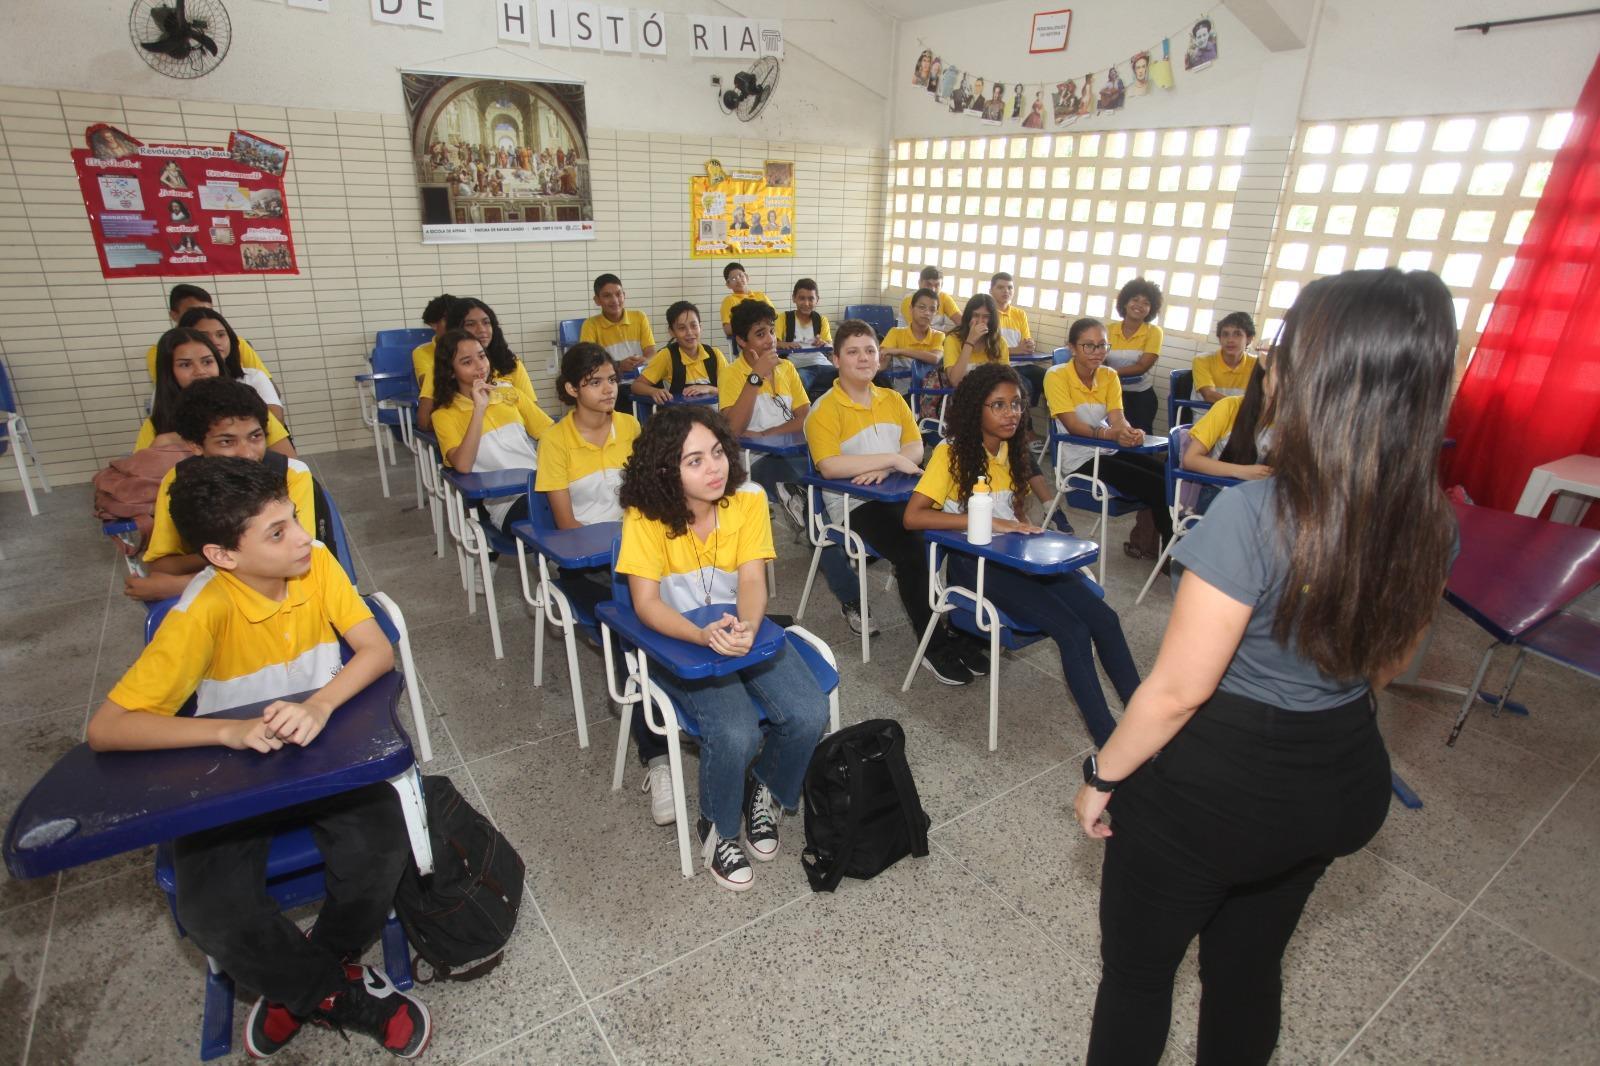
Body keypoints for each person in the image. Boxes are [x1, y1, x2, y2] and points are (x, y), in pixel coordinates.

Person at [1073, 268, 1458, 1066]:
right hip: (1339, 778)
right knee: (1247, 973)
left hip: (1212, 795)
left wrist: (1102, 774)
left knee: (1139, 978)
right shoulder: (1430, 517)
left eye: (1283, 349)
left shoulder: (1256, 512)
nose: (1268, 365)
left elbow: (1178, 691)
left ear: (1319, 375)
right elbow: (1388, 662)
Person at [87, 457, 430, 1059]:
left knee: (380, 848)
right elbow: (107, 729)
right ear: (223, 555)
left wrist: (320, 705)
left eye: (294, 519)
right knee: (210, 909)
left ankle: (307, 976)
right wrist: (228, 731)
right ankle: (330, 991)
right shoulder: (202, 612)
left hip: (323, 752)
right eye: (277, 532)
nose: (302, 537)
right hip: (237, 771)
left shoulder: (316, 564)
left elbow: (376, 651)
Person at [615, 405, 831, 890]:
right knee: (735, 732)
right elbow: (646, 605)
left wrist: (749, 627)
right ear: (665, 470)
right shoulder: (644, 516)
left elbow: (752, 580)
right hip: (679, 642)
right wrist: (701, 635)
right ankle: (718, 827)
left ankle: (763, 788)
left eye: (716, 452)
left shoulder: (747, 500)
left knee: (808, 711)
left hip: (739, 628)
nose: (714, 468)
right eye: (694, 461)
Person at [904, 365, 1140, 745]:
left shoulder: (1012, 450)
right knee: (1073, 631)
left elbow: (1016, 516)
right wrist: (993, 524)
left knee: (1106, 619)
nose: (1010, 413)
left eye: (1015, 404)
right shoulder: (951, 454)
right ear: (975, 409)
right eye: (997, 405)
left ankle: (1144, 721)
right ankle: (1110, 744)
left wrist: (1031, 533)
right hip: (975, 566)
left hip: (1016, 560)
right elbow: (913, 517)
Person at [537, 344, 677, 823]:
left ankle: (688, 703)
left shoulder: (632, 427)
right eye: (594, 382)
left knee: (686, 602)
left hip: (637, 556)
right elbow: (566, 525)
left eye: (611, 380)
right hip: (586, 567)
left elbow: (649, 498)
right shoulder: (555, 441)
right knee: (627, 629)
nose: (607, 389)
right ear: (571, 389)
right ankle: (657, 760)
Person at [805, 321, 975, 681]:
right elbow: (830, 466)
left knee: (960, 533)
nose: (864, 358)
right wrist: (890, 459)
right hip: (854, 505)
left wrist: (888, 464)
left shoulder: (892, 399)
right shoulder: (824, 409)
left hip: (900, 493)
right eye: (853, 352)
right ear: (836, 359)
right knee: (913, 549)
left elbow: (914, 448)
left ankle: (964, 632)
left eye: (870, 350)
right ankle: (933, 647)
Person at [129, 378, 322, 603]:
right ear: (195, 445)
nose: (247, 453)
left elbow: (296, 556)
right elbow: (162, 565)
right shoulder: (178, 480)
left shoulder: (292, 475)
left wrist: (185, 583)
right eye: (226, 442)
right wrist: (230, 554)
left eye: (255, 436)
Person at [1045, 318, 1173, 557]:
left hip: (1107, 448)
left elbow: (1118, 418)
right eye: (1089, 345)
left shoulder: (1109, 375)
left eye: (1102, 345)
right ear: (1072, 348)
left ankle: (1157, 546)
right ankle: (1170, 554)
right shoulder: (1056, 375)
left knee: (1167, 476)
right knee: (1157, 487)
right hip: (1078, 457)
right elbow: (1073, 426)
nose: (1097, 352)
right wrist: (1111, 434)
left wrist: (1129, 432)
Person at [431, 328, 553, 550]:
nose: (480, 366)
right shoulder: (444, 415)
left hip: (545, 486)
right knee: (562, 520)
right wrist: (479, 409)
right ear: (450, 371)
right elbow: (463, 465)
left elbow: (552, 434)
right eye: (467, 362)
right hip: (507, 503)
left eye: (482, 356)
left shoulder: (509, 393)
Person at [718, 299, 811, 529]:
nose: (770, 339)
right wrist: (756, 376)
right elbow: (733, 429)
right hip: (755, 459)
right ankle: (801, 505)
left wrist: (766, 434)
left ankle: (811, 514)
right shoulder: (731, 374)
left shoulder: (786, 368)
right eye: (760, 334)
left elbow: (805, 419)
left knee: (819, 470)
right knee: (797, 477)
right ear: (741, 341)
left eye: (771, 331)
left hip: (791, 451)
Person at [137, 329, 295, 457]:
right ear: (169, 373)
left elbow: (291, 465)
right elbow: (139, 479)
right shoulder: (155, 425)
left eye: (207, 362)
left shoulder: (249, 409)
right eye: (185, 365)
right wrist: (162, 445)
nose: (200, 371)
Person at [416, 297, 540, 431]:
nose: (481, 329)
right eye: (470, 324)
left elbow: (533, 413)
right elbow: (424, 421)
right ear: (457, 330)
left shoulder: (510, 363)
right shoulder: (442, 368)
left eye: (486, 322)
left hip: (515, 435)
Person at [1183, 353, 1276, 514]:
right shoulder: (1229, 406)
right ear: (1263, 379)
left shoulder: (1292, 420)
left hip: (1263, 499)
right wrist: (1242, 471)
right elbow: (1190, 460)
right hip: (1220, 493)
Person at [178, 306, 285, 424]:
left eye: (221, 335)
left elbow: (276, 419)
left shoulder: (252, 377)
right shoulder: (177, 385)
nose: (215, 342)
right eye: (203, 336)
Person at [146, 284, 270, 382]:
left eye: (208, 311)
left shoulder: (237, 343)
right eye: (185, 364)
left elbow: (268, 385)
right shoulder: (160, 351)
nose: (202, 316)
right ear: (174, 315)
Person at [632, 301, 729, 405]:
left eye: (694, 326)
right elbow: (636, 386)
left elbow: (731, 389)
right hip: (678, 415)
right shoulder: (666, 356)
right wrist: (653, 391)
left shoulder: (715, 355)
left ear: (700, 327)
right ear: (671, 332)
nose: (689, 332)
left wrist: (709, 389)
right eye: (682, 328)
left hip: (713, 415)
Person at [1106, 279, 1165, 433]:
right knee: (1112, 437)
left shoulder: (1154, 332)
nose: (1139, 305)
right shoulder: (1108, 330)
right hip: (1110, 394)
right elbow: (1098, 359)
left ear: (1151, 309)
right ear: (1125, 302)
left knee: (1138, 438)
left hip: (1141, 396)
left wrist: (1110, 373)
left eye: (1146, 303)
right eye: (1135, 299)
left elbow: (1142, 366)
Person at [580, 273, 655, 375]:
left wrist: (645, 360)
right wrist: (618, 365)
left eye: (618, 294)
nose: (615, 300)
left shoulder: (640, 317)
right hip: (611, 381)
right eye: (607, 296)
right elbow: (590, 362)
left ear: (624, 295)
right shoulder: (590, 325)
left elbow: (651, 352)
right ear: (597, 300)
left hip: (642, 379)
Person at [776, 278, 836, 399]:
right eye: (802, 298)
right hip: (797, 367)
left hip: (822, 364)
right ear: (794, 298)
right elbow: (773, 342)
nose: (806, 303)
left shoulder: (821, 320)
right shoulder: (783, 318)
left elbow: (829, 346)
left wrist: (823, 343)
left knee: (847, 375)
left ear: (817, 300)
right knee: (800, 381)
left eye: (811, 299)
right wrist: (785, 344)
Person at [990, 272, 1043, 407]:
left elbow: (1026, 343)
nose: (1006, 291)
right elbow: (988, 349)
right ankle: (1024, 420)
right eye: (1000, 287)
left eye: (1010, 287)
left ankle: (1055, 418)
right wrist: (1016, 350)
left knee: (1051, 379)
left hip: (1024, 364)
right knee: (1026, 386)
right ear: (991, 291)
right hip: (1002, 366)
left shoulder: (1019, 314)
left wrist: (1030, 345)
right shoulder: (987, 314)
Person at [942, 293, 1010, 389]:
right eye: (976, 315)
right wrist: (970, 341)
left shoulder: (999, 342)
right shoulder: (952, 340)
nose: (980, 321)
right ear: (968, 317)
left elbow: (1006, 379)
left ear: (992, 320)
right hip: (961, 394)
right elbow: (955, 381)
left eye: (986, 316)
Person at [880, 288, 946, 385]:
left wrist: (900, 351)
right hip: (898, 390)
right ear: (911, 309)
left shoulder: (938, 336)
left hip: (926, 392)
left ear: (935, 313)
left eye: (932, 310)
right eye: (922, 307)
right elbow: (882, 363)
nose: (927, 313)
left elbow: (935, 358)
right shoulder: (895, 333)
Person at [1192, 312, 1258, 403]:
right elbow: (1209, 395)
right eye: (1225, 334)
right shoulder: (1202, 360)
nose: (1230, 340)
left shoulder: (1256, 364)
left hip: (1240, 412)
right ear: (1220, 339)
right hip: (1207, 411)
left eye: (1237, 334)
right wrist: (1243, 407)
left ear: (1249, 339)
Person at [411, 293, 457, 413]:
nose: (455, 324)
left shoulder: (474, 346)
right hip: (445, 408)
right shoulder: (421, 352)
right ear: (433, 324)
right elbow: (428, 385)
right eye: (449, 319)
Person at [719, 262, 773, 342]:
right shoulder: (729, 300)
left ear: (747, 277)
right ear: (728, 284)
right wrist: (752, 329)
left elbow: (773, 318)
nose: (738, 280)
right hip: (746, 342)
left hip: (768, 338)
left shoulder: (761, 296)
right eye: (733, 279)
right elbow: (727, 329)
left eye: (740, 276)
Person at [900, 266, 961, 331]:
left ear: (941, 286)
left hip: (938, 336)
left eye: (937, 285)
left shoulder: (944, 298)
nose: (932, 289)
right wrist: (946, 335)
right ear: (919, 283)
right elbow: (919, 331)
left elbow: (961, 323)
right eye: (928, 284)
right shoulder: (909, 300)